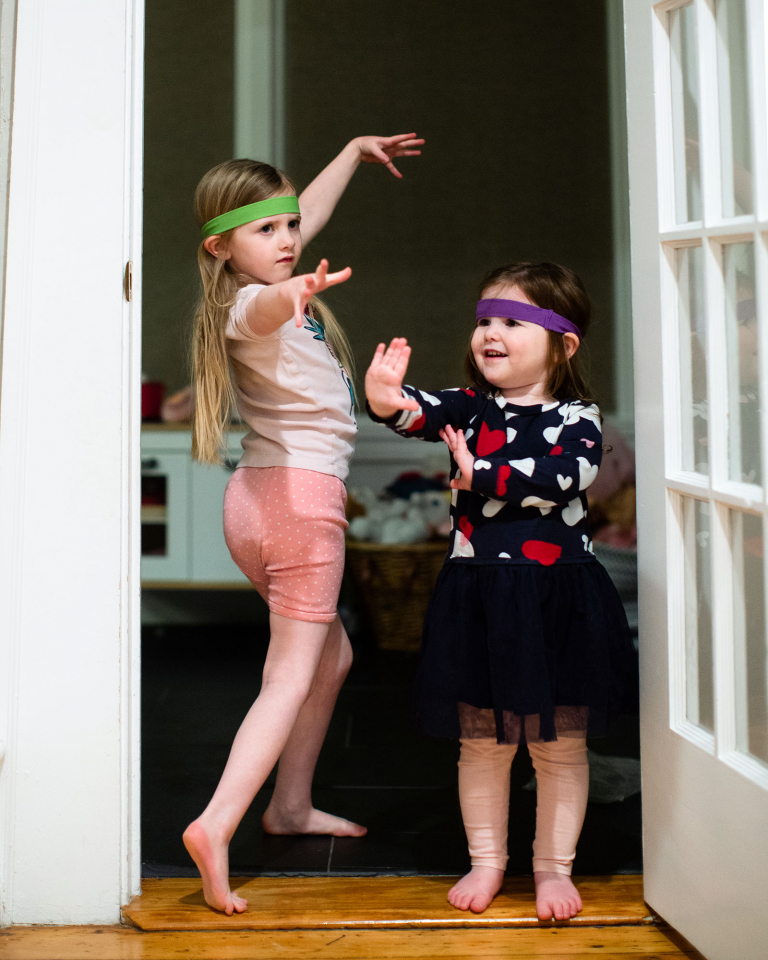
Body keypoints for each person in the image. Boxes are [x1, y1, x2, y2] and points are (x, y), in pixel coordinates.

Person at [183, 133, 423, 915]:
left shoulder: (262, 270)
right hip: (297, 507)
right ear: (223, 248)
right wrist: (299, 292)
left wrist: (352, 154)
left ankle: (290, 805)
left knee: (329, 656)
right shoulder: (248, 301)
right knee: (289, 674)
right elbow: (269, 305)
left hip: (258, 501)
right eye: (268, 230)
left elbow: (299, 216)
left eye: (291, 226)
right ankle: (217, 825)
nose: (288, 239)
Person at [365, 261, 635, 921]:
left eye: (513, 322)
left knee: (558, 743)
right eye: (486, 319)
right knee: (482, 742)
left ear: (562, 344)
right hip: (479, 598)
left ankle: (552, 868)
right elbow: (418, 413)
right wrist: (384, 398)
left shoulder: (580, 418)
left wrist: (480, 472)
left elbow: (567, 476)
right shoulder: (471, 406)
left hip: (556, 600)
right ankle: (487, 859)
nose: (492, 332)